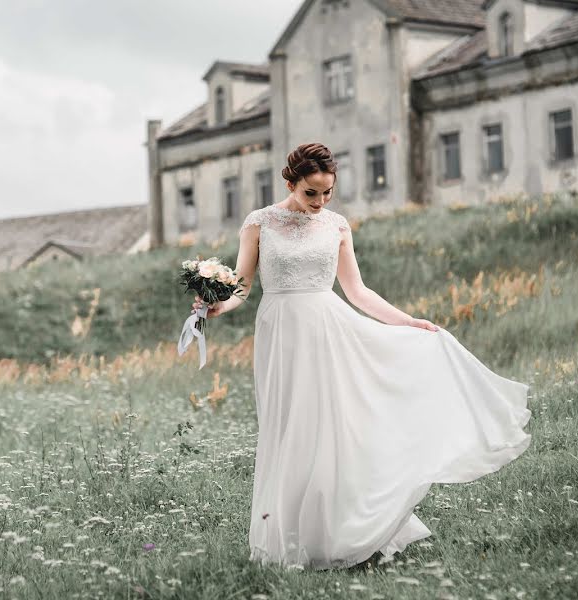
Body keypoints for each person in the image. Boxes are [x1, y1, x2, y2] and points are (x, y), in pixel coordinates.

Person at [190, 142, 532, 571]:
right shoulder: (259, 223)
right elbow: (241, 284)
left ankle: (346, 533)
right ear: (290, 182)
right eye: (310, 192)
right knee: (289, 428)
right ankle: (290, 539)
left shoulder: (337, 226)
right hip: (280, 331)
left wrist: (409, 322)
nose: (319, 202)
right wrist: (218, 305)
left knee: (335, 427)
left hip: (329, 328)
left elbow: (357, 292)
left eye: (327, 192)